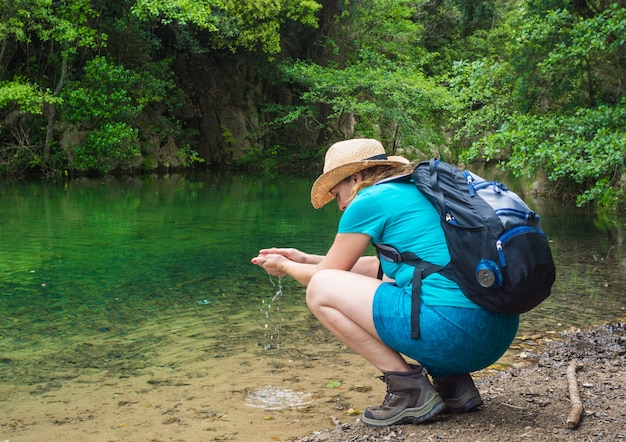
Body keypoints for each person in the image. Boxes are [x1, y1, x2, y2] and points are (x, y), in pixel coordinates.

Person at [251, 138, 519, 427]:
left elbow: (325, 278)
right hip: (497, 333)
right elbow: (384, 268)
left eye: (337, 193)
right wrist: (305, 259)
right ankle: (454, 386)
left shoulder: (368, 200)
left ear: (355, 179)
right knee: (406, 282)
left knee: (319, 291)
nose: (339, 205)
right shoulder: (418, 191)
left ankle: (410, 390)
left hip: (455, 333)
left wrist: (285, 267)